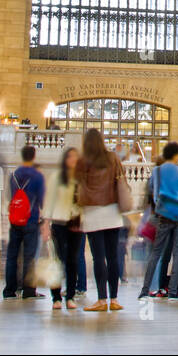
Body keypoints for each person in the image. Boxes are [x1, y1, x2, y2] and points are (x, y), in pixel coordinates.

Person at [76, 128, 131, 312]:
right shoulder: (113, 158)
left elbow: (77, 184)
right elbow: (122, 179)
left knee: (98, 258)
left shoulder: (83, 161)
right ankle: (114, 299)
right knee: (113, 256)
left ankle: (101, 299)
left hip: (92, 213)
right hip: (112, 212)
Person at [138, 142, 178, 301]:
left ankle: (145, 289)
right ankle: (173, 291)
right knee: (177, 252)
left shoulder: (157, 171)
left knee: (156, 252)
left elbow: (153, 193)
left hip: (163, 215)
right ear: (175, 155)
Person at [3, 145, 46, 299]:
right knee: (29, 257)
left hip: (15, 220)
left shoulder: (14, 174)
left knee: (12, 256)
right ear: (33, 156)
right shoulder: (37, 176)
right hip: (31, 219)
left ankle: (9, 290)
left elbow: (10, 196)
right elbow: (41, 200)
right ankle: (28, 290)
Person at [44, 147, 83, 310]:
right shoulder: (56, 178)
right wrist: (45, 224)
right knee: (57, 260)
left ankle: (71, 296)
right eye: (70, 157)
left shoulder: (81, 178)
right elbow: (49, 201)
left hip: (75, 223)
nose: (73, 160)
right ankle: (56, 297)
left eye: (76, 157)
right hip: (59, 222)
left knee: (72, 261)